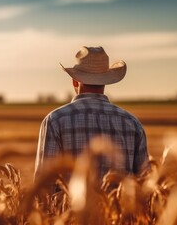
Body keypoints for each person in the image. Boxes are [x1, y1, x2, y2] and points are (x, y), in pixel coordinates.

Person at [34, 46, 149, 180]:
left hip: (71, 201)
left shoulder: (55, 120)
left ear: (74, 81)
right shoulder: (132, 123)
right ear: (106, 81)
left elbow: (44, 183)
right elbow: (144, 183)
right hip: (120, 202)